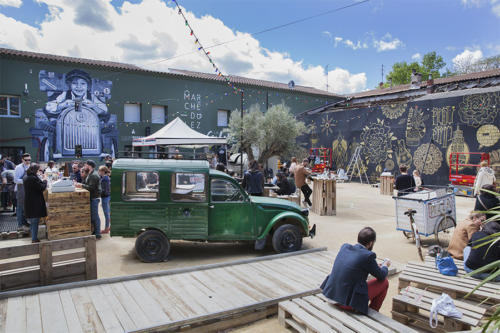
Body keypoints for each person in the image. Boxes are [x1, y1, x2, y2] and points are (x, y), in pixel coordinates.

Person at [321, 227, 390, 314]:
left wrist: (375, 266)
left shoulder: (345, 247)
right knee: (384, 282)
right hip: (345, 303)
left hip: (331, 295)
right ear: (371, 243)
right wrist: (385, 266)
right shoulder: (368, 256)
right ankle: (373, 312)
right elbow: (381, 276)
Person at [75, 160, 102, 239]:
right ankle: (95, 231)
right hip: (92, 197)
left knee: (95, 216)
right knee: (93, 216)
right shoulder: (90, 174)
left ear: (89, 166)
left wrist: (81, 185)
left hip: (94, 198)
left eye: (86, 165)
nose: (84, 166)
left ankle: (97, 233)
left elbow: (91, 188)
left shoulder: (93, 175)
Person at [23, 164, 48, 243]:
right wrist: (45, 180)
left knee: (33, 221)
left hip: (30, 201)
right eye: (39, 170)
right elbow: (42, 187)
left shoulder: (27, 177)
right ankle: (34, 239)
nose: (39, 171)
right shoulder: (32, 178)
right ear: (35, 170)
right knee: (35, 221)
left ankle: (33, 237)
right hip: (35, 202)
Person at [14, 153, 31, 230]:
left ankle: (25, 222)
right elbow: (16, 180)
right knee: (20, 208)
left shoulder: (29, 166)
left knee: (25, 207)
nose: (28, 161)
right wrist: (26, 181)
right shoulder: (18, 168)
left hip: (26, 190)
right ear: (22, 160)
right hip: (20, 190)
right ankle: (20, 225)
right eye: (26, 160)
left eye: (29, 160)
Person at [99, 165, 111, 234]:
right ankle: (109, 227)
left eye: (100, 171)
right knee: (108, 213)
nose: (99, 172)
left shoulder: (104, 179)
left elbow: (104, 190)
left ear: (103, 171)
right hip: (107, 197)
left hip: (105, 198)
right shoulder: (107, 178)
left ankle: (106, 229)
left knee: (106, 214)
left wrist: (98, 193)